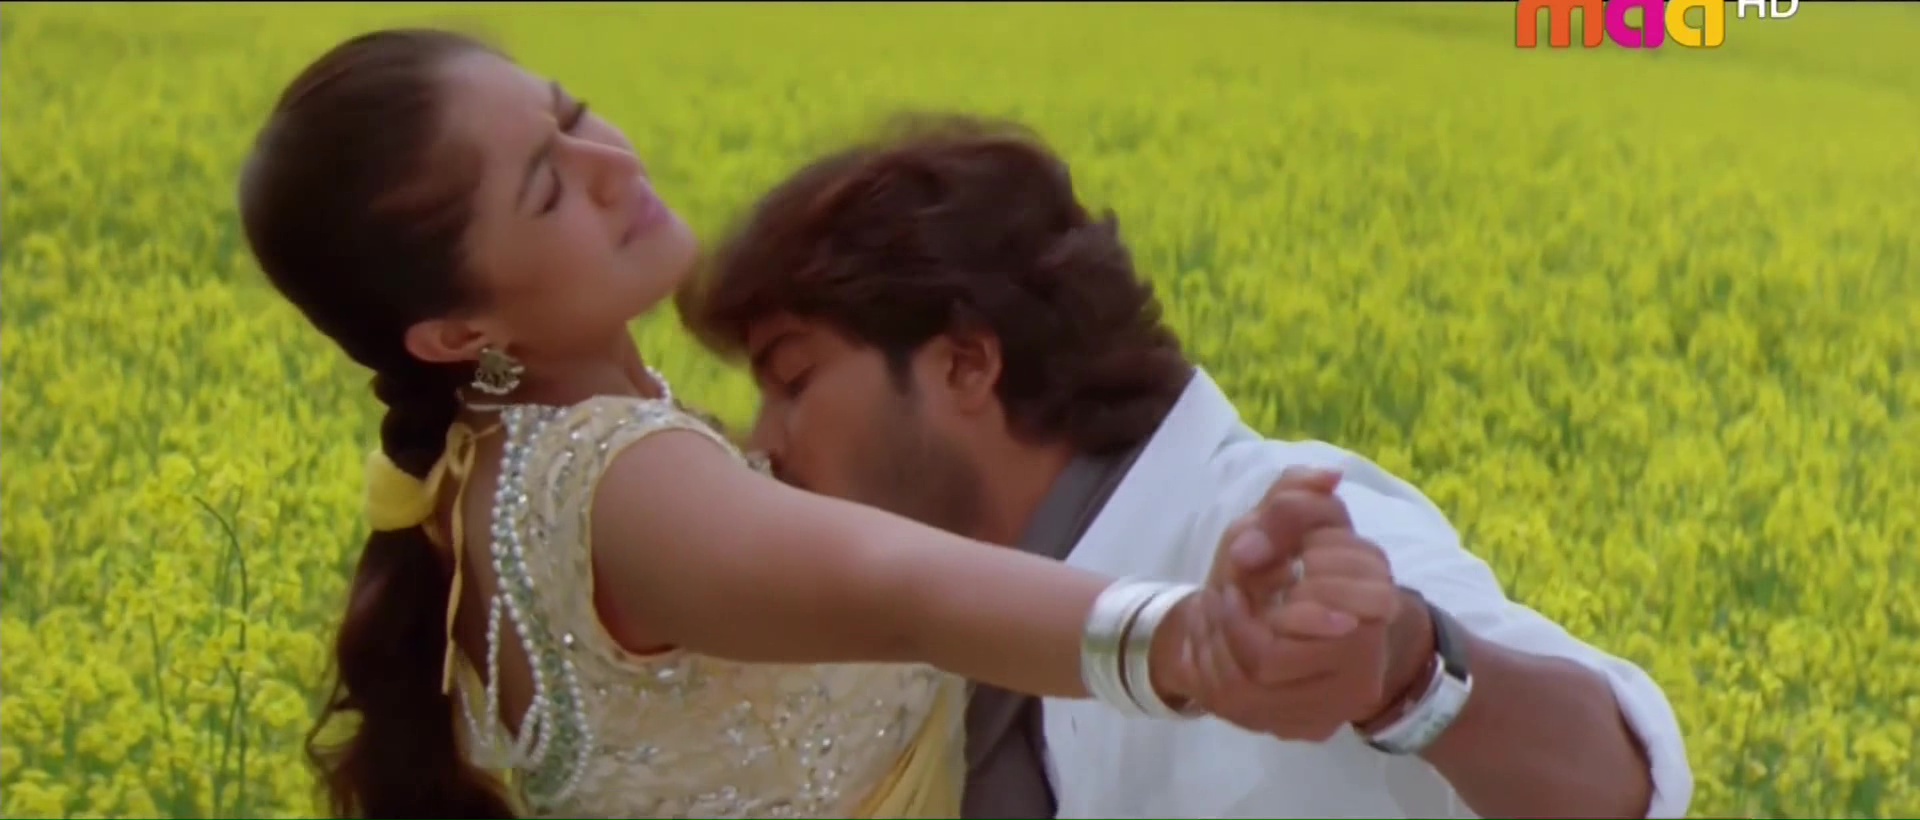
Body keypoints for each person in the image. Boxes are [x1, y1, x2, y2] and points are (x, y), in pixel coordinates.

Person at [237, 29, 1391, 820]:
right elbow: (900, 588)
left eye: (573, 115)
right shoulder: (611, 478)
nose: (610, 165)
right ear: (455, 330)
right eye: (547, 187)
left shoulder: (485, 471)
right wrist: (1186, 637)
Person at [678, 115, 1695, 818]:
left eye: (792, 378)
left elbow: (1617, 786)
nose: (765, 440)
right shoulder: (923, 649)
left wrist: (1406, 665)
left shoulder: (1271, 524)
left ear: (966, 363)